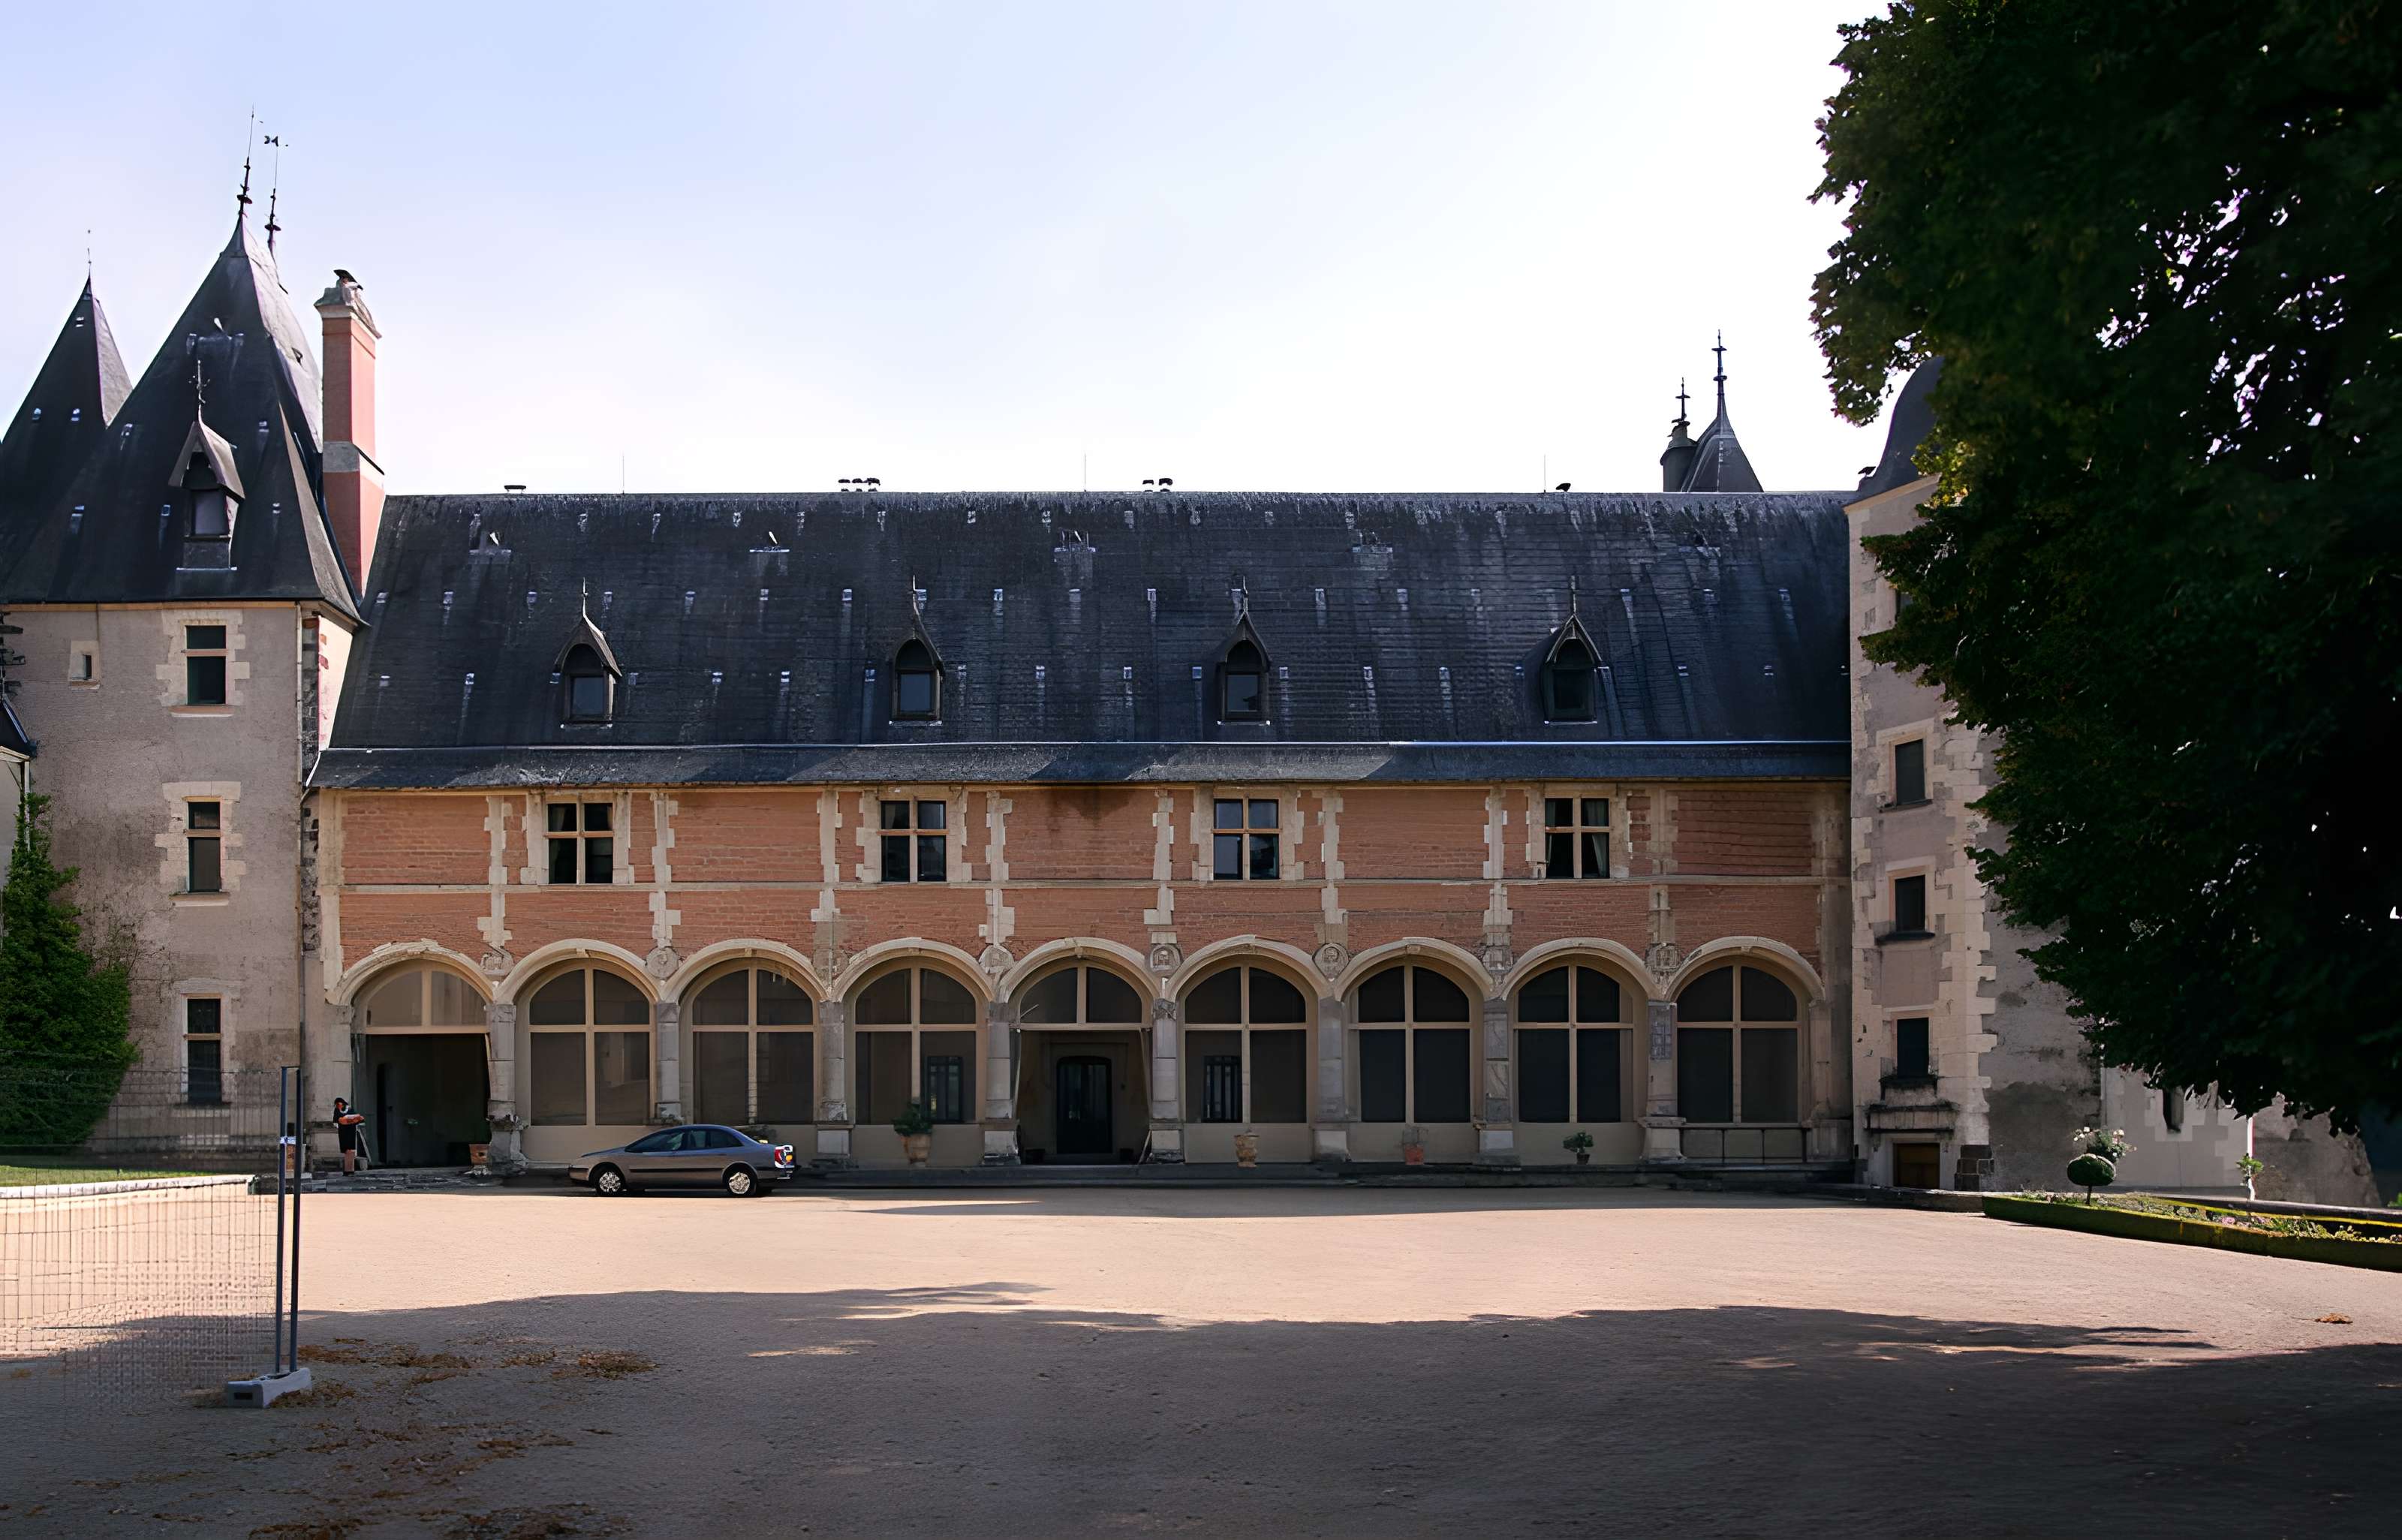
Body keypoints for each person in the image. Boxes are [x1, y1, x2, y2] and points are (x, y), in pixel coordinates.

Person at [333, 1097, 366, 1174]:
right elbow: (335, 1120)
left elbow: (357, 1119)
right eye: (337, 1105)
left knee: (351, 1150)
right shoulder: (337, 1110)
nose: (338, 1106)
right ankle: (347, 1170)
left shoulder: (350, 1109)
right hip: (343, 1132)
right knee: (345, 1150)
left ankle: (350, 1170)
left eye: (339, 1104)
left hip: (351, 1131)